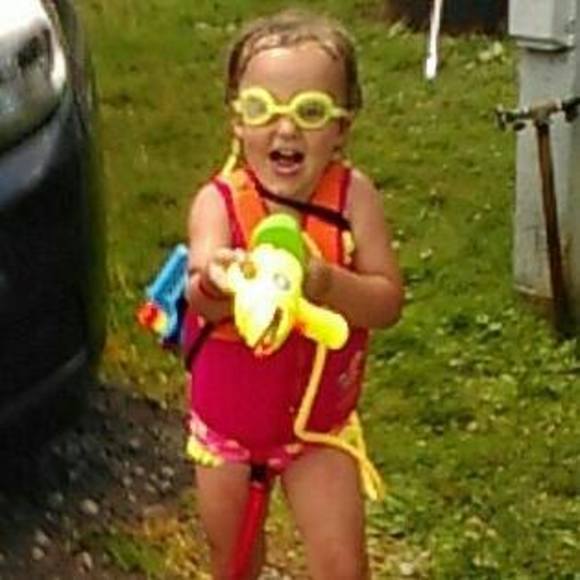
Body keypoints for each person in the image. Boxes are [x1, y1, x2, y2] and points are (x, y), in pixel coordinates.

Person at [185, 9, 404, 580]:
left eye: (309, 112)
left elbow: (386, 302)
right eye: (263, 109)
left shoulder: (353, 199)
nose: (285, 131)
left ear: (342, 128)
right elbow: (200, 295)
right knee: (234, 563)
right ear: (238, 121)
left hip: (319, 429)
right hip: (229, 429)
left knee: (344, 567)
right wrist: (218, 280)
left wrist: (326, 282)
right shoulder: (219, 203)